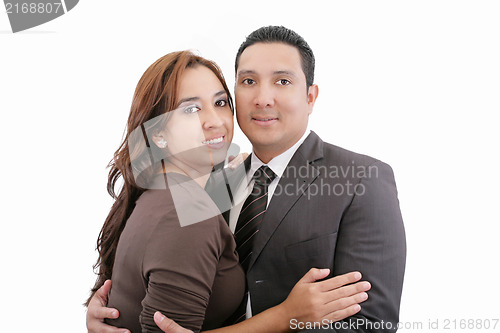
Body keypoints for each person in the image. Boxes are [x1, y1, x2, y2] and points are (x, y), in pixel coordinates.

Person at [85, 50, 371, 333]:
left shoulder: (165, 193)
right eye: (191, 109)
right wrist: (285, 316)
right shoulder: (187, 214)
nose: (215, 120)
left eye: (220, 102)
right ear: (158, 135)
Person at [156, 26, 407, 332]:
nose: (262, 98)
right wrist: (113, 309)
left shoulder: (361, 179)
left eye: (283, 81)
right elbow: (164, 266)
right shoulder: (215, 181)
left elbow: (371, 325)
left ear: (310, 97)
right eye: (248, 81)